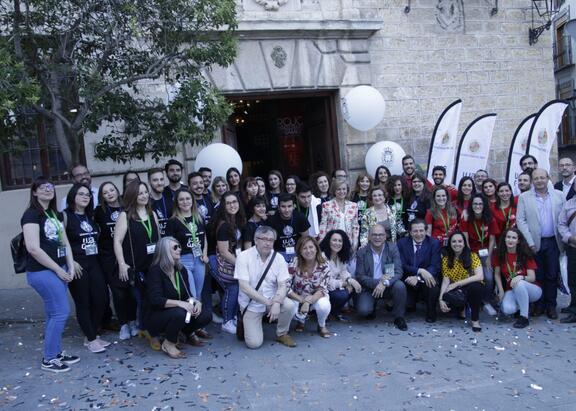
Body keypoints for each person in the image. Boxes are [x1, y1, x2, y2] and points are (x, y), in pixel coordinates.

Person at [22, 177, 79, 372]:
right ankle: (49, 358)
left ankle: (55, 352)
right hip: (42, 272)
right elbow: (33, 248)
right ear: (35, 192)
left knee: (52, 313)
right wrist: (58, 269)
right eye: (42, 187)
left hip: (59, 269)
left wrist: (70, 266)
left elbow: (65, 243)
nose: (48, 189)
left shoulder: (54, 214)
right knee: (61, 312)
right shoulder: (31, 215)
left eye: (50, 187)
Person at [113, 181, 161, 347]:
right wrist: (121, 263)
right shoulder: (125, 216)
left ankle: (149, 328)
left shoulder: (152, 213)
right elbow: (117, 241)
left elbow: (159, 239)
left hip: (154, 265)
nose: (144, 195)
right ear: (132, 195)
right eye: (140, 193)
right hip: (137, 267)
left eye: (145, 192)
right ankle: (148, 331)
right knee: (143, 300)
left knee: (155, 298)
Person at [146, 237, 210, 359]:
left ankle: (185, 333)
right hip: (157, 316)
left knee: (206, 314)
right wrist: (180, 303)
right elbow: (155, 300)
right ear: (165, 251)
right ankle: (168, 343)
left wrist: (196, 302)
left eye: (179, 246)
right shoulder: (155, 271)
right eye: (175, 247)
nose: (179, 249)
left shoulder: (180, 270)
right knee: (180, 312)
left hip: (176, 313)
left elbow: (187, 296)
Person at [235, 226, 298, 348]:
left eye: (271, 240)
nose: (267, 243)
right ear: (255, 239)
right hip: (252, 303)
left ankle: (282, 333)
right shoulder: (244, 257)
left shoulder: (278, 258)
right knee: (254, 344)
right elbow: (244, 287)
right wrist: (269, 303)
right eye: (264, 239)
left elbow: (282, 285)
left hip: (272, 299)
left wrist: (276, 302)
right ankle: (252, 323)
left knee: (290, 305)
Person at [64, 183, 109, 353]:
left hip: (94, 262)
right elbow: (61, 241)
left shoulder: (90, 216)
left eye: (88, 195)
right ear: (72, 196)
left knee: (101, 299)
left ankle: (92, 333)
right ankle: (91, 339)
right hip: (77, 264)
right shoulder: (65, 216)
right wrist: (70, 262)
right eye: (81, 194)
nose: (85, 197)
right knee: (83, 302)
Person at [516, 168, 565, 319]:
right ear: (532, 181)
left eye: (542, 178)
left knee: (551, 274)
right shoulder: (524, 197)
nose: (539, 181)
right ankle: (539, 304)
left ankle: (551, 305)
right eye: (536, 178)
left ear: (548, 178)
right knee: (538, 275)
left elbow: (563, 218)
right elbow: (520, 220)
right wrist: (529, 242)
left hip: (553, 241)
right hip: (533, 242)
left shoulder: (559, 195)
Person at [355, 222, 407, 330]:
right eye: (374, 234)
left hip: (388, 285)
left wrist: (384, 283)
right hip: (369, 287)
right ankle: (372, 306)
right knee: (364, 310)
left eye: (380, 235)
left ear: (385, 236)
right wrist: (378, 282)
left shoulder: (392, 249)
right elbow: (360, 276)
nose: (377, 237)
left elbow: (398, 272)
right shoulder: (362, 252)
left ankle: (399, 317)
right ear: (369, 236)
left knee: (400, 286)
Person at [165, 189, 210, 315]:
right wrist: (175, 261)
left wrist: (205, 254)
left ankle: (196, 323)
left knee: (198, 293)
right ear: (177, 203)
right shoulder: (173, 221)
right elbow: (168, 244)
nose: (185, 202)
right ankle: (190, 326)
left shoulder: (198, 217)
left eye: (188, 198)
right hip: (183, 260)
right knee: (191, 294)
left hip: (199, 259)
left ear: (192, 200)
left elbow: (203, 237)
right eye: (181, 199)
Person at [211, 191, 246, 334]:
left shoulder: (236, 220)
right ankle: (227, 321)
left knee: (236, 287)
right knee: (232, 287)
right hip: (218, 260)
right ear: (223, 206)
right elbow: (224, 252)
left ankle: (232, 318)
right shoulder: (224, 225)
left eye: (235, 202)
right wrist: (241, 263)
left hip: (231, 259)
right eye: (228, 203)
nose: (232, 205)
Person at [493, 228, 541, 328]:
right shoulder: (499, 254)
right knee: (507, 309)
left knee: (519, 284)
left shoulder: (524, 253)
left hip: (532, 289)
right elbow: (497, 274)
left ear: (518, 240)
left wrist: (520, 277)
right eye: (508, 237)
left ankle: (524, 317)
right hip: (511, 289)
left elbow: (532, 277)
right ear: (504, 239)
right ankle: (523, 305)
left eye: (514, 238)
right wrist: (501, 290)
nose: (510, 240)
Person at [460, 193, 499, 316]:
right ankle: (470, 302)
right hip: (471, 251)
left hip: (486, 251)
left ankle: (486, 301)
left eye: (480, 204)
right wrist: (470, 255)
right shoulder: (466, 218)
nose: (478, 206)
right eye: (475, 204)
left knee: (488, 277)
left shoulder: (490, 219)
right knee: (472, 276)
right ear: (471, 205)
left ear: (484, 205)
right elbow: (465, 237)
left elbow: (492, 239)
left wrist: (489, 257)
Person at [397, 219, 441, 323]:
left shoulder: (434, 243)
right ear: (410, 232)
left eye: (421, 231)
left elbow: (435, 266)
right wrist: (419, 271)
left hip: (425, 279)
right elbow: (401, 265)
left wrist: (418, 277)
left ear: (426, 231)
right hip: (408, 279)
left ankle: (431, 311)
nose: (419, 234)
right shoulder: (401, 243)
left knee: (433, 284)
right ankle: (410, 303)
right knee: (408, 305)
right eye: (415, 231)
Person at [94, 182, 124, 334]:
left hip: (126, 253)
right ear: (102, 197)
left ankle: (133, 319)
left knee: (129, 290)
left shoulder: (126, 207)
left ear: (117, 190)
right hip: (108, 256)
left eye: (112, 190)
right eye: (105, 192)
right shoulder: (99, 211)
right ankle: (122, 321)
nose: (110, 194)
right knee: (116, 290)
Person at [439, 232, 484, 332]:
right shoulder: (446, 260)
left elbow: (480, 276)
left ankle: (475, 320)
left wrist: (457, 283)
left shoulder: (473, 256)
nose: (457, 244)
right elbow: (445, 281)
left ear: (464, 243)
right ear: (450, 244)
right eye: (454, 241)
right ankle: (462, 307)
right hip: (457, 289)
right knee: (446, 297)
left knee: (475, 287)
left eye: (460, 241)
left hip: (471, 286)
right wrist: (440, 299)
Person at [287, 236, 332, 338]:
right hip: (297, 296)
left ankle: (321, 325)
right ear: (300, 251)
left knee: (323, 305)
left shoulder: (324, 263)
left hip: (316, 296)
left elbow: (323, 288)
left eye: (311, 247)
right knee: (289, 306)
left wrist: (308, 301)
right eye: (304, 248)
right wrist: (302, 300)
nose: (308, 251)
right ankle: (300, 320)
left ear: (316, 248)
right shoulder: (294, 262)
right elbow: (286, 286)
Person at [319, 230, 362, 321]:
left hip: (334, 286)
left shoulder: (339, 256)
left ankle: (333, 312)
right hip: (322, 289)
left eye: (340, 241)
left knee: (353, 286)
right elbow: (327, 282)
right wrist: (345, 283)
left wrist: (349, 279)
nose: (337, 243)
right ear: (328, 241)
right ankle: (323, 312)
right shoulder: (322, 257)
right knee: (342, 295)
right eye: (334, 240)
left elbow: (343, 272)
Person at [318, 180, 360, 250]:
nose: (341, 191)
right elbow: (323, 225)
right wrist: (322, 242)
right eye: (338, 189)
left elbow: (355, 225)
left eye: (344, 189)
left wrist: (355, 241)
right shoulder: (326, 205)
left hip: (348, 242)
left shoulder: (353, 205)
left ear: (347, 190)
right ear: (334, 190)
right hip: (332, 242)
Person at [269, 193, 310, 262]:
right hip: (279, 253)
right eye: (283, 206)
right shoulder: (272, 220)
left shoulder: (300, 217)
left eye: (289, 206)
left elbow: (305, 238)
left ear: (294, 206)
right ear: (278, 207)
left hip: (297, 252)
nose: (287, 210)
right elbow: (270, 241)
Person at [558, 186, 576, 323]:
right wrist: (569, 237)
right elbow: (562, 224)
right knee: (573, 279)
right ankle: (573, 306)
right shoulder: (568, 204)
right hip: (573, 246)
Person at [148, 168, 172, 236]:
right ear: (149, 182)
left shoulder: (170, 200)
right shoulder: (146, 203)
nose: (159, 183)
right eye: (155, 180)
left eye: (161, 179)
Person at [387, 175, 410, 240]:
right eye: (395, 185)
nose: (397, 187)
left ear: (403, 186)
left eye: (399, 185)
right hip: (391, 234)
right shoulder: (387, 201)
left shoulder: (407, 200)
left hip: (405, 233)